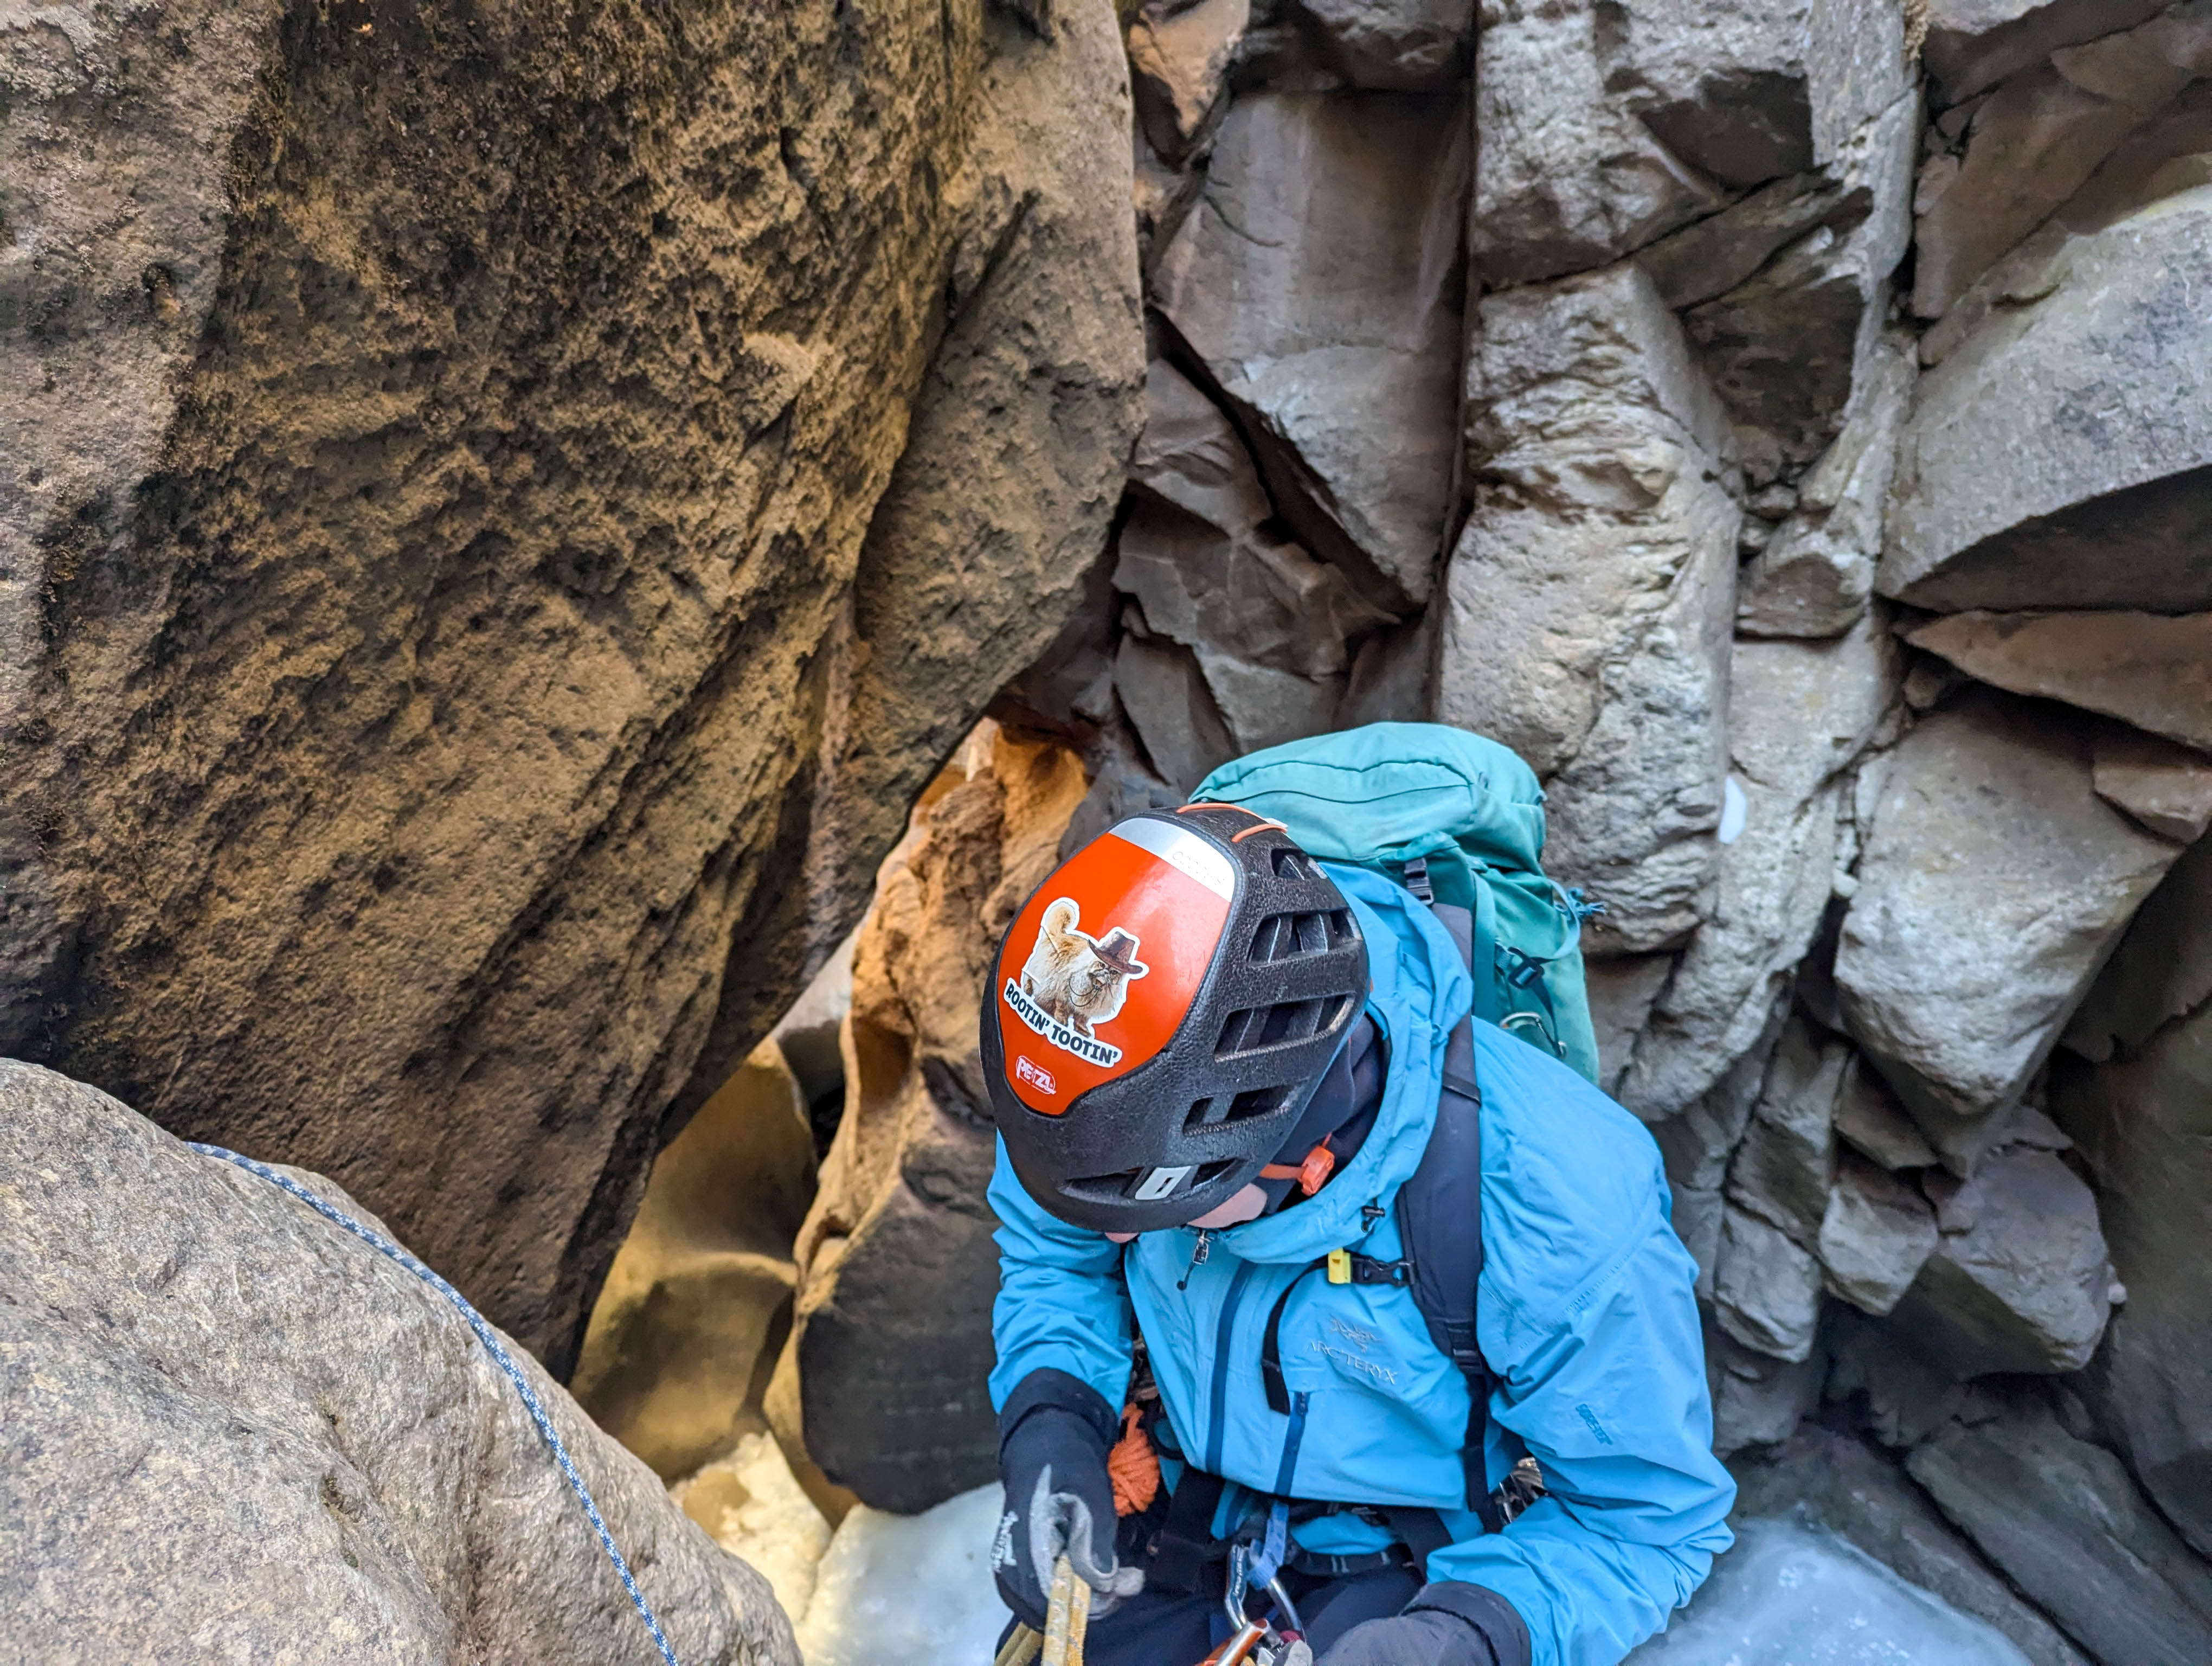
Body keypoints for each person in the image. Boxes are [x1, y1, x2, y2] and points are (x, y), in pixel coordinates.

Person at [980, 802, 1735, 1666]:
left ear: (1296, 1161)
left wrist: (1463, 1639)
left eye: (1153, 1208)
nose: (1115, 1242)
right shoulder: (1110, 1066)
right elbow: (1056, 1257)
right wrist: (1054, 1419)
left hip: (1427, 1567)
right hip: (1177, 1496)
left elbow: (1643, 1522)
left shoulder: (1561, 1200)